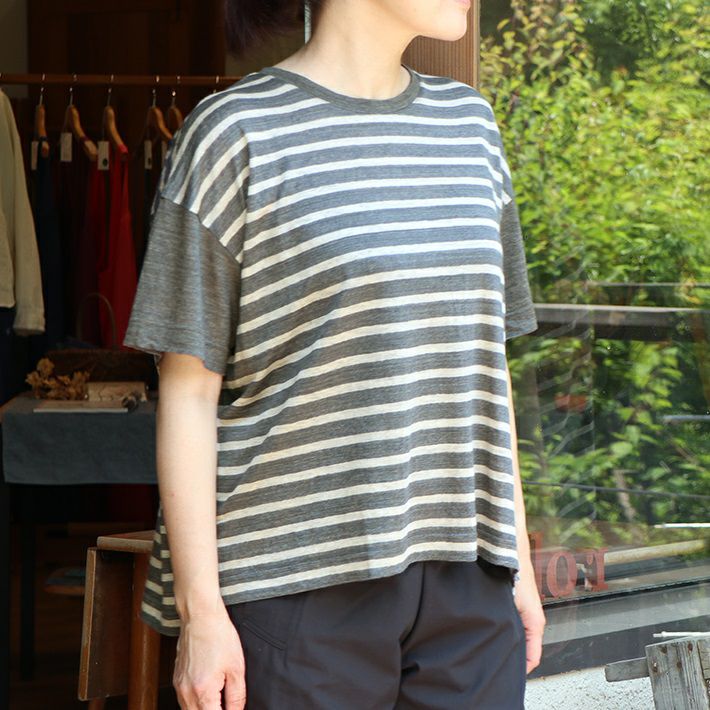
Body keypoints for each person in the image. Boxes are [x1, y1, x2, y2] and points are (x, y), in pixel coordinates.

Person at [123, 0, 546, 707]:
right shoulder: (234, 133)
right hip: (295, 587)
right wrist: (201, 614)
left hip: (466, 582)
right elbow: (188, 392)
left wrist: (517, 561)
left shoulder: (470, 126)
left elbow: (485, 365)